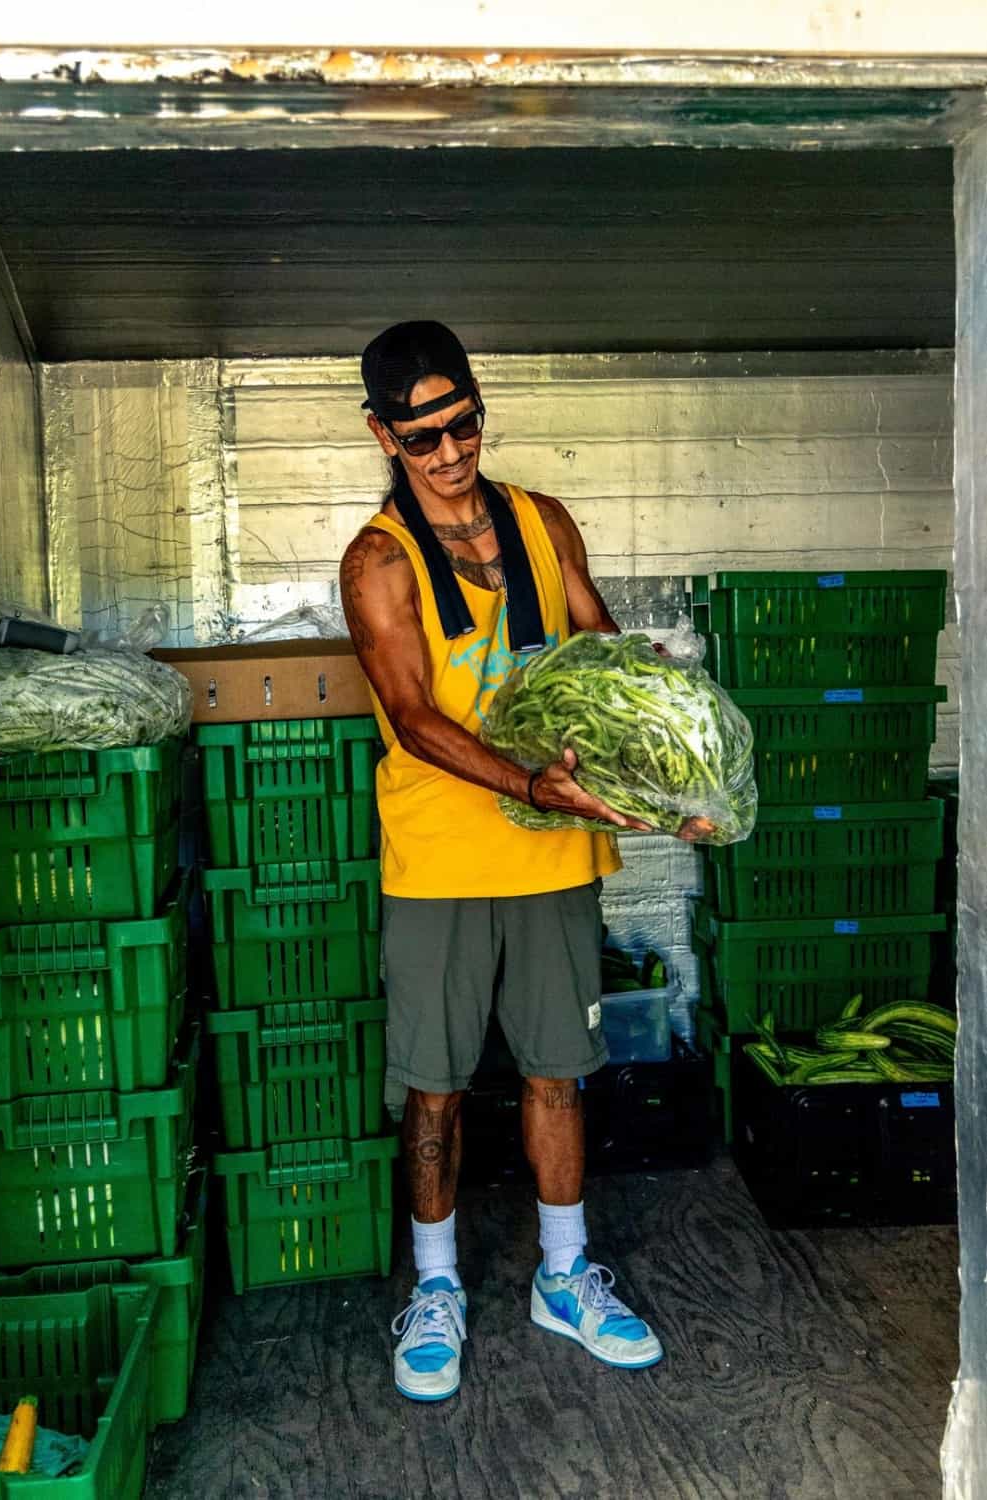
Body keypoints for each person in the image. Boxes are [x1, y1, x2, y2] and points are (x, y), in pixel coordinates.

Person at [340, 320, 703, 1404]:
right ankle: (439, 1287)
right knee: (436, 1092)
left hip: (551, 861)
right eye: (421, 438)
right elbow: (411, 718)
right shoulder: (378, 562)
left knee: (557, 1071)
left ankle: (562, 1273)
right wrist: (530, 784)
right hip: (441, 865)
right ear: (381, 435)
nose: (449, 453)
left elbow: (594, 653)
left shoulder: (541, 523)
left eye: (462, 424)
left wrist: (667, 766)